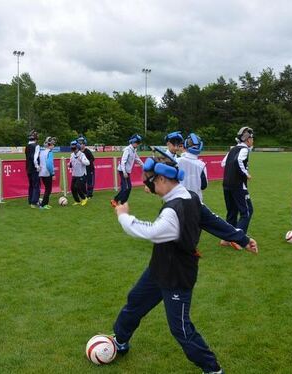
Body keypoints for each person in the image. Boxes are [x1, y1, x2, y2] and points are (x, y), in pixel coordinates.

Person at [110, 157, 257, 374]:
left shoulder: (175, 209)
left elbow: (151, 231)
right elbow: (213, 220)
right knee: (135, 302)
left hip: (177, 274)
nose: (145, 185)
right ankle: (120, 341)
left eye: (148, 181)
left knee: (181, 328)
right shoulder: (189, 195)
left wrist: (124, 217)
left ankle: (212, 368)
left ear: (161, 178)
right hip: (159, 266)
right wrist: (242, 238)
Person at [222, 127, 254, 234]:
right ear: (248, 139)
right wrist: (246, 174)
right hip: (238, 185)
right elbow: (238, 161)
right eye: (252, 138)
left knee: (232, 211)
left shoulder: (233, 149)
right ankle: (238, 238)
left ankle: (226, 238)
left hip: (226, 185)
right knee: (247, 211)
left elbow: (223, 163)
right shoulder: (244, 149)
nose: (253, 141)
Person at [112, 134, 144, 207]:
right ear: (133, 142)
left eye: (138, 143)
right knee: (126, 188)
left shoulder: (133, 150)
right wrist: (124, 172)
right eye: (137, 142)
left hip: (127, 171)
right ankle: (115, 200)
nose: (138, 144)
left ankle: (123, 202)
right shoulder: (127, 150)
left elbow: (137, 159)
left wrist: (144, 166)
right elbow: (123, 161)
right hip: (123, 171)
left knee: (128, 187)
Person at [177, 133, 208, 202]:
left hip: (178, 200)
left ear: (185, 145)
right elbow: (203, 186)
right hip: (196, 201)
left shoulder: (177, 161)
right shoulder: (202, 165)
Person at [69, 140, 90, 206]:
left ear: (77, 148)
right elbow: (71, 163)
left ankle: (84, 198)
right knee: (72, 188)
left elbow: (88, 163)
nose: (73, 150)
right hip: (74, 174)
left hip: (81, 174)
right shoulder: (72, 155)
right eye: (72, 148)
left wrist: (82, 160)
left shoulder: (82, 154)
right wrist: (70, 165)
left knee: (77, 187)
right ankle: (77, 201)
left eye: (74, 148)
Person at [38, 136, 56, 209]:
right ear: (50, 145)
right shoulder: (50, 152)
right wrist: (52, 173)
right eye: (52, 144)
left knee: (47, 189)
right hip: (47, 173)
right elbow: (49, 164)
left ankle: (45, 204)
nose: (53, 146)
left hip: (42, 173)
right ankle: (43, 205)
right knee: (48, 189)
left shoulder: (42, 152)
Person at [25, 130, 41, 208]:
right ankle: (34, 202)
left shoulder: (27, 146)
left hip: (28, 168)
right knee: (36, 185)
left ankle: (30, 200)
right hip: (34, 169)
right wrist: (37, 166)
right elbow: (35, 158)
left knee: (31, 185)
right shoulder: (36, 146)